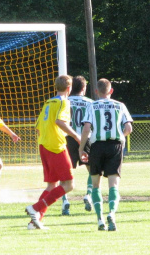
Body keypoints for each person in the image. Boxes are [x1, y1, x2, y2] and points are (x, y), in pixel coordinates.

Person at [25, 75, 81, 230]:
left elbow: (38, 127)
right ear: (69, 88)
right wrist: (76, 136)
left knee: (52, 186)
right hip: (56, 146)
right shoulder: (64, 101)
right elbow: (60, 121)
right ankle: (35, 208)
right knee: (69, 185)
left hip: (43, 145)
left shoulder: (48, 102)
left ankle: (34, 222)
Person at [79, 78, 133, 231]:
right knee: (113, 184)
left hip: (97, 146)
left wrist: (82, 148)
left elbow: (87, 128)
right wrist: (120, 137)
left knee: (96, 185)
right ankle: (112, 214)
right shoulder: (120, 105)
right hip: (115, 146)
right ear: (111, 91)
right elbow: (128, 128)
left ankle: (100, 220)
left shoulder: (92, 105)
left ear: (96, 91)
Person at [62, 75, 95, 215]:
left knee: (64, 171)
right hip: (84, 138)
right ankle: (88, 194)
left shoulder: (65, 101)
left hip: (67, 138)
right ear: (83, 88)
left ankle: (65, 201)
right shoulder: (90, 103)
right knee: (92, 169)